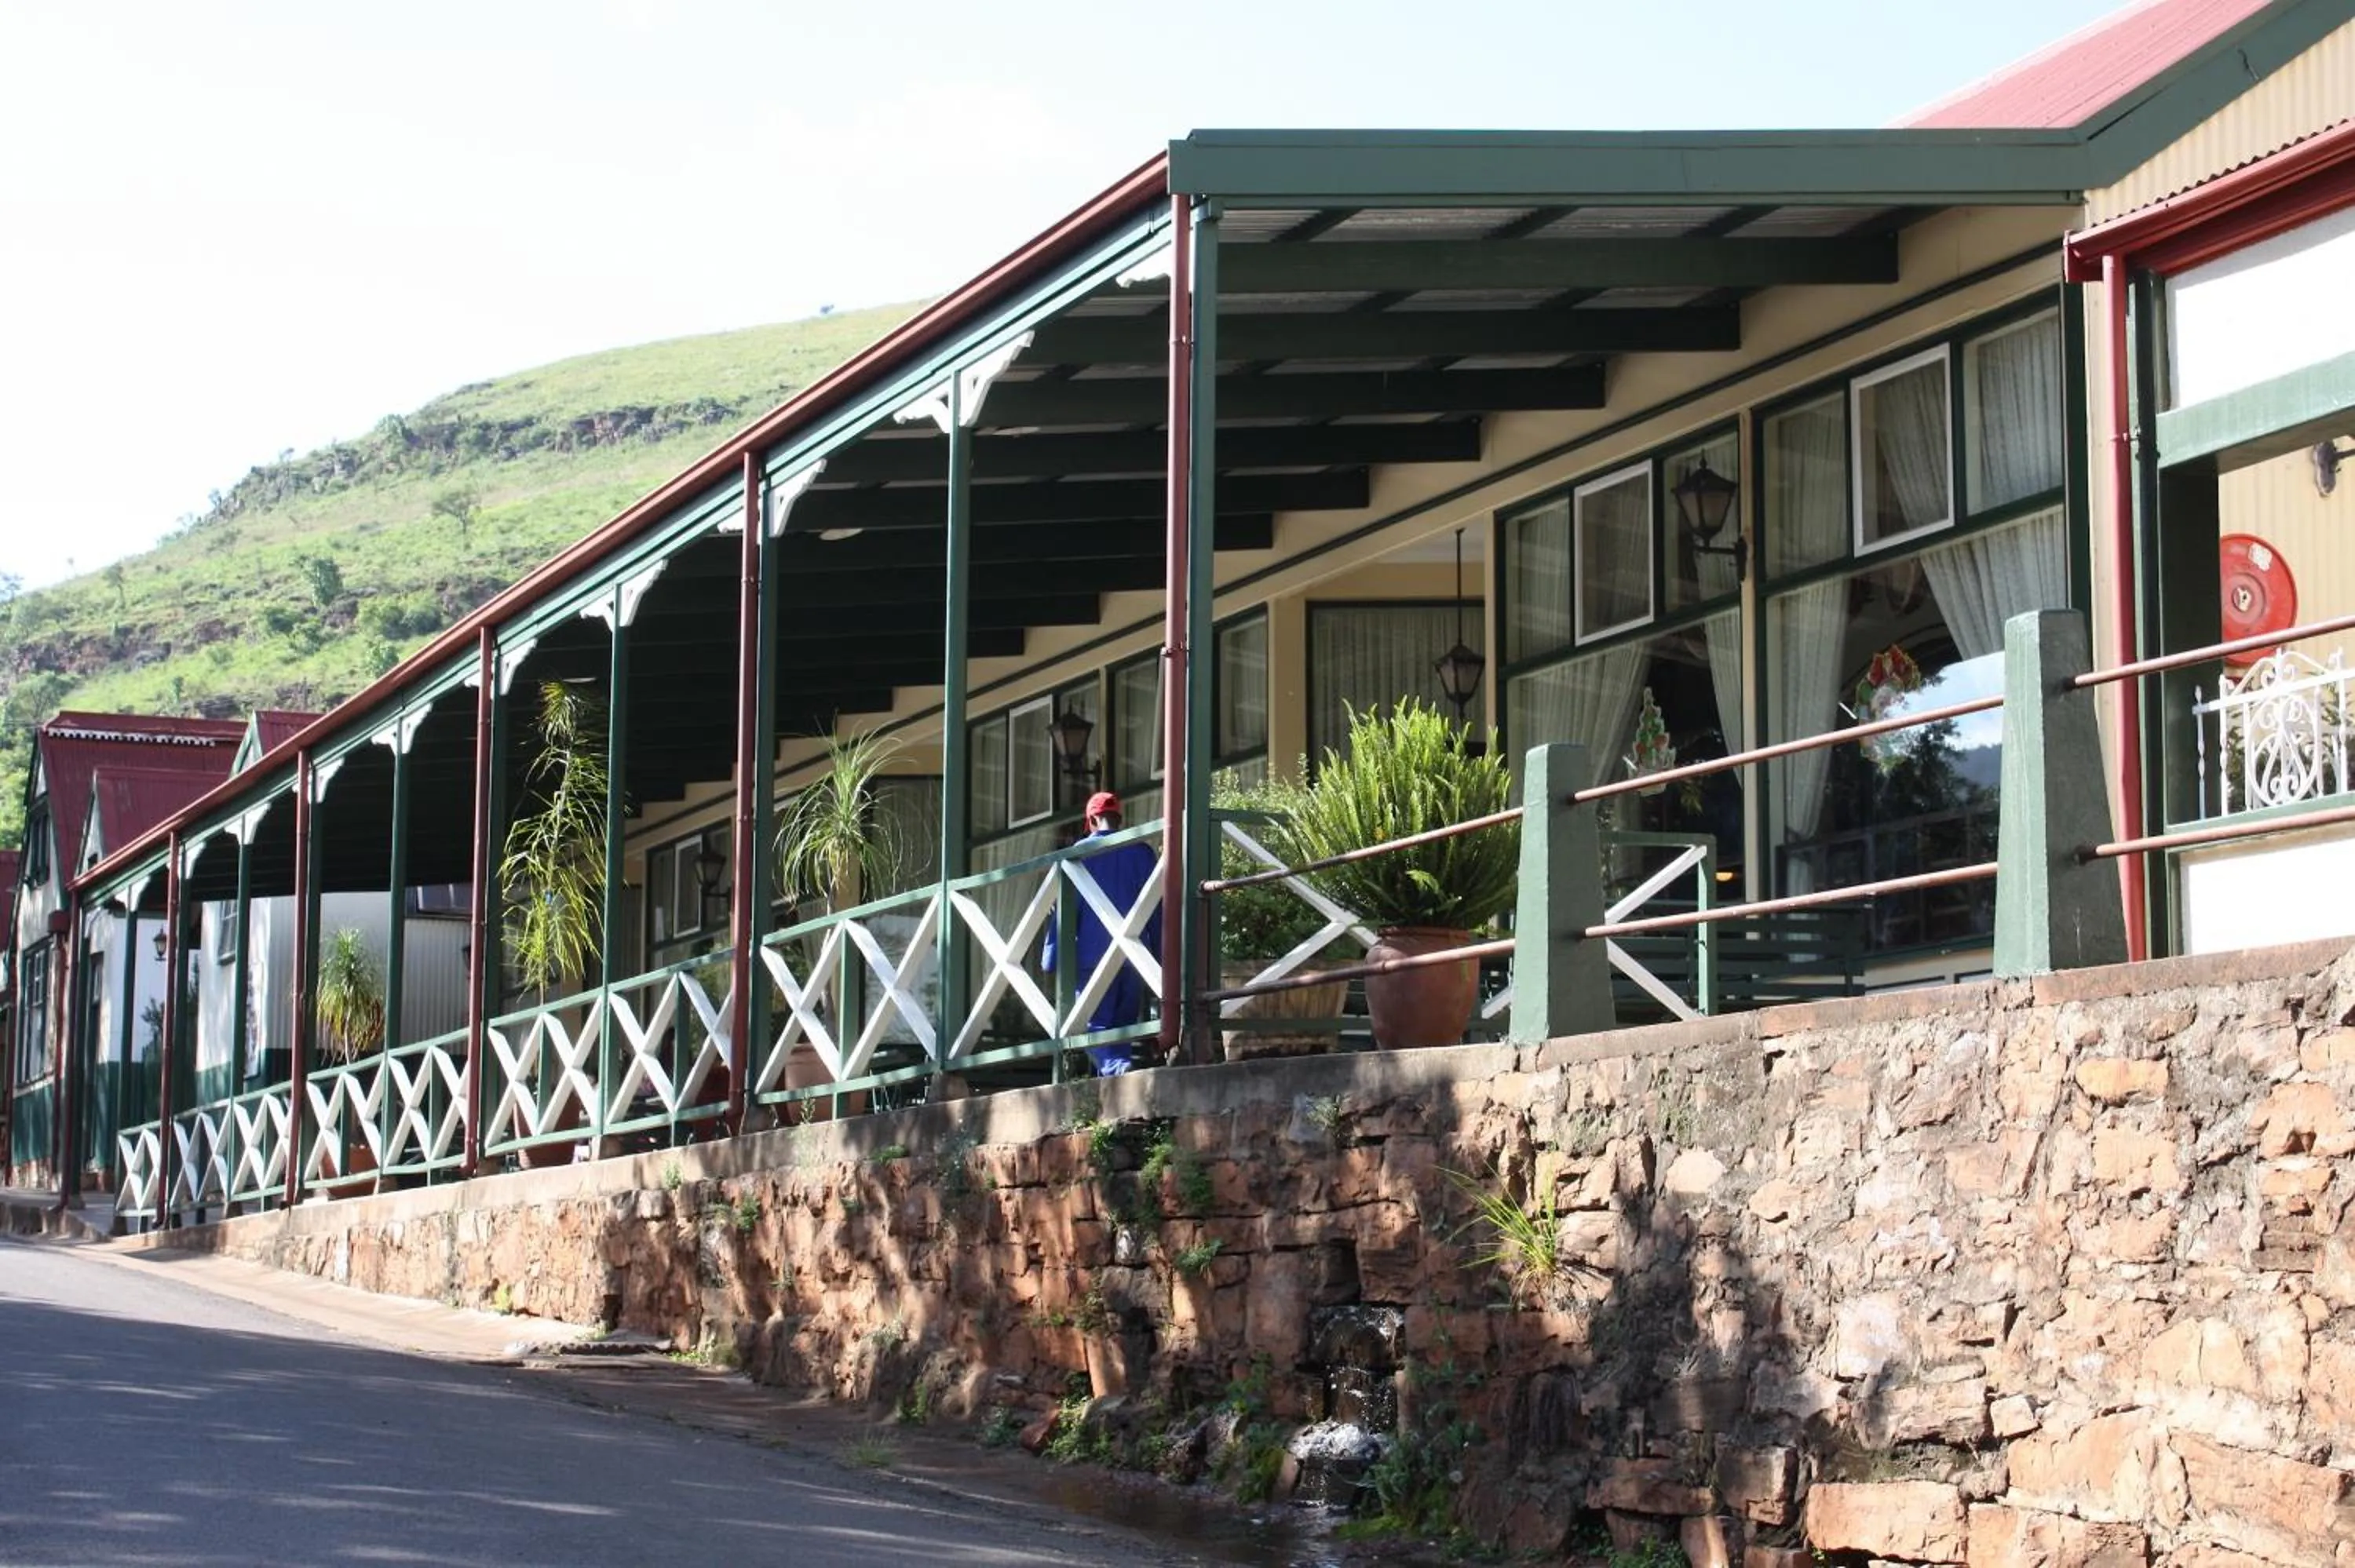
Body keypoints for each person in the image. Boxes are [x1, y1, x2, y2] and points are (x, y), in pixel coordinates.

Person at [1041, 789, 1163, 1075]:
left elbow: (1068, 910)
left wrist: (1051, 954)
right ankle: (1114, 1088)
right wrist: (1159, 954)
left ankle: (1118, 1071)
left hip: (1092, 955)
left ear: (1092, 820)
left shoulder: (1080, 855)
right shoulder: (1142, 853)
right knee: (1121, 1025)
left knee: (1091, 1026)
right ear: (1118, 819)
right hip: (1136, 955)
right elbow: (1157, 908)